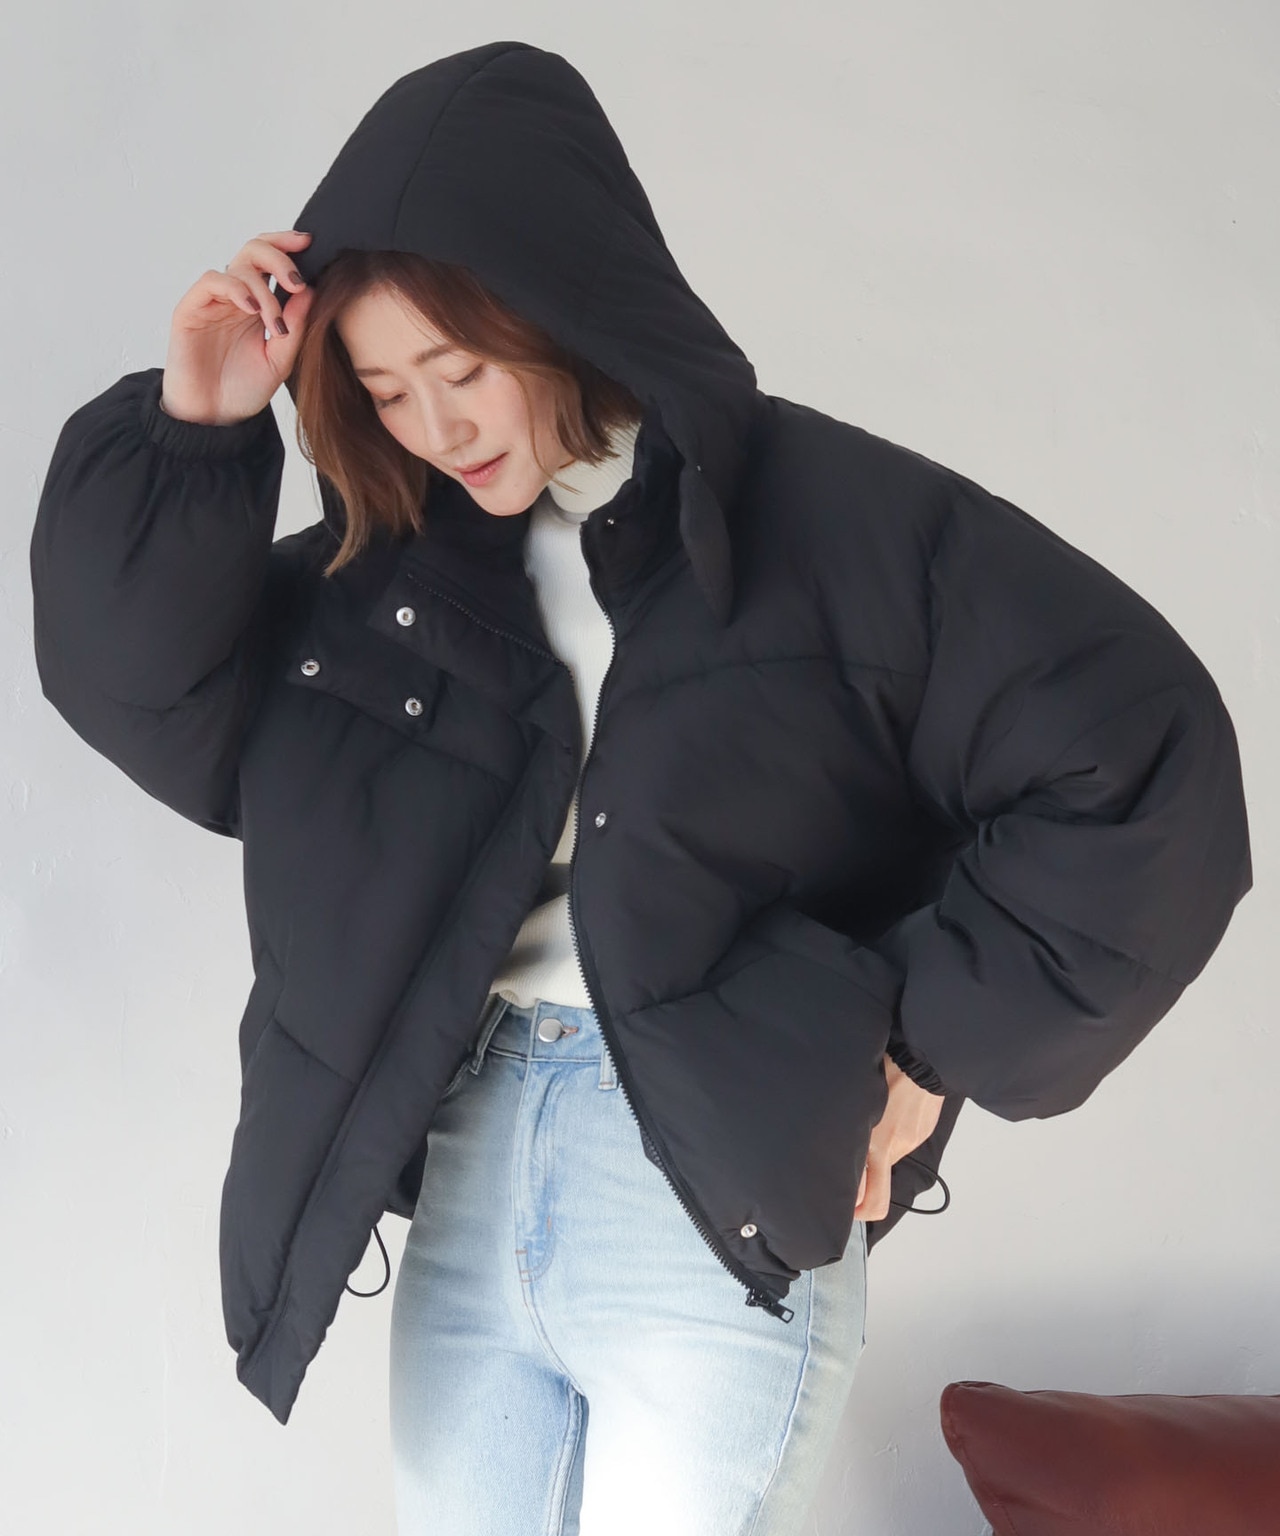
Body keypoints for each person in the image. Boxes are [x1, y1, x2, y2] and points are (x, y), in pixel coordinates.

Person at [29, 40, 1251, 1536]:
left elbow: (1140, 758)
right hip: (472, 1170)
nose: (436, 429)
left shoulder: (825, 524)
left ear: (561, 308)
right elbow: (147, 692)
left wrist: (927, 1050)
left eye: (462, 372)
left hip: (701, 1195)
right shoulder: (388, 583)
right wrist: (198, 427)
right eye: (386, 390)